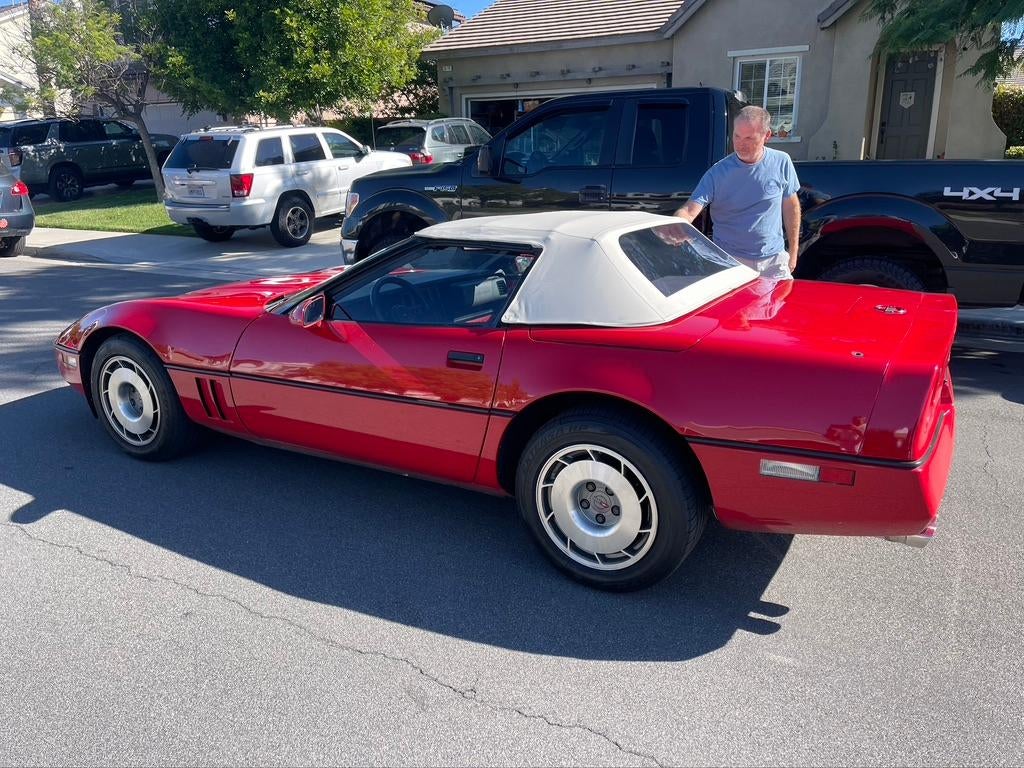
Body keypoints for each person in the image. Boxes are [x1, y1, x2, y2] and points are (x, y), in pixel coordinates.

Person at [675, 105, 801, 280]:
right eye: (737, 136)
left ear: (767, 136)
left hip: (774, 261)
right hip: (730, 262)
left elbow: (791, 207)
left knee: (783, 299)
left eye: (749, 138)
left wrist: (793, 251)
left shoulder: (782, 162)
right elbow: (689, 210)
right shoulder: (717, 173)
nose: (740, 144)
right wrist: (677, 224)